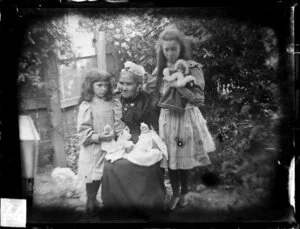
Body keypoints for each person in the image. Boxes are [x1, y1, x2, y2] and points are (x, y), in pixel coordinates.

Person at [145, 26, 216, 210]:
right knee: (170, 157)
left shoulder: (191, 68)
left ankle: (184, 192)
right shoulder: (159, 70)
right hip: (167, 118)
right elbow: (152, 92)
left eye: (173, 49)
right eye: (166, 49)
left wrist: (179, 86)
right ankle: (175, 193)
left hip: (185, 118)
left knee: (182, 156)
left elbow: (199, 99)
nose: (169, 53)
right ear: (162, 50)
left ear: (181, 49)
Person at [101, 61, 166, 217]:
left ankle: (144, 207)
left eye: (128, 84)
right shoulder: (116, 100)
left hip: (144, 142)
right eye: (121, 83)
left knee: (138, 164)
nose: (123, 87)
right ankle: (119, 208)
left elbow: (155, 129)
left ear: (139, 85)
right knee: (111, 165)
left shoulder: (149, 100)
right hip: (121, 142)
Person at [76, 69, 127, 215]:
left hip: (109, 146)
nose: (103, 89)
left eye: (106, 85)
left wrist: (118, 133)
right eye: (99, 85)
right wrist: (99, 137)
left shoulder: (112, 102)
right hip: (93, 146)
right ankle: (90, 201)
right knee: (92, 175)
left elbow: (117, 122)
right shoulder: (87, 105)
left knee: (103, 174)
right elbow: (83, 132)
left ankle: (101, 200)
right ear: (90, 86)